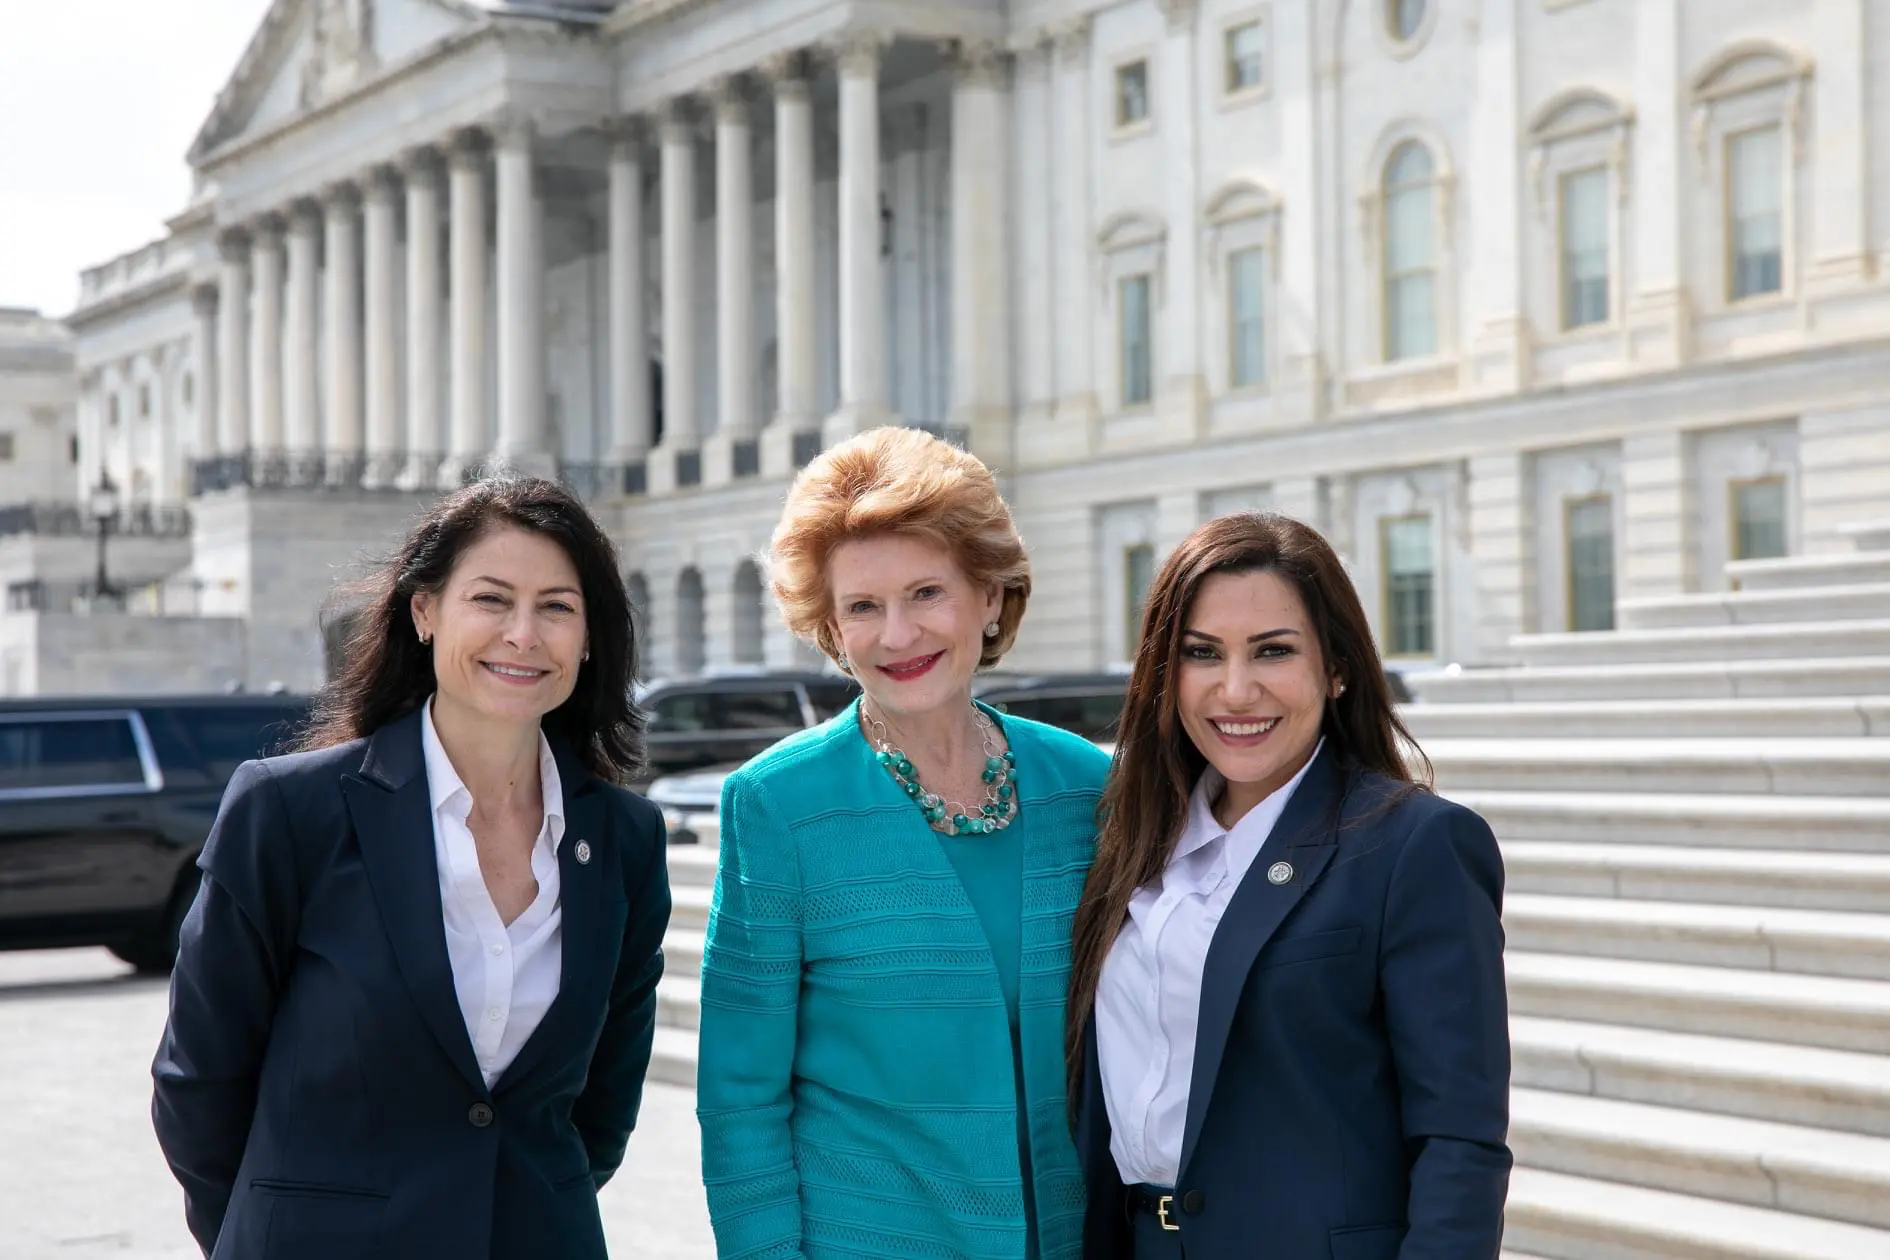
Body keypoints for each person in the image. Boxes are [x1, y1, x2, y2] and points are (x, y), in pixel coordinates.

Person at [151, 476, 671, 1260]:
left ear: (591, 635)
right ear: (424, 612)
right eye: (491, 600)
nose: (524, 635)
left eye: (558, 607)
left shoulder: (625, 839)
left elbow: (602, 1107)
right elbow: (199, 1079)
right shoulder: (290, 813)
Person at [696, 426, 1110, 1260]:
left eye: (927, 593)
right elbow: (741, 1097)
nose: (897, 635)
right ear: (830, 627)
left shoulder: (1084, 784)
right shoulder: (778, 804)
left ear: (990, 597)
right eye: (862, 607)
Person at [1066, 512, 1511, 1260]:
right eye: (1201, 653)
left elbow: (1459, 1141)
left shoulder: (1416, 846)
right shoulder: (1131, 838)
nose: (1235, 690)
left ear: (1335, 668)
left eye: (1273, 652)